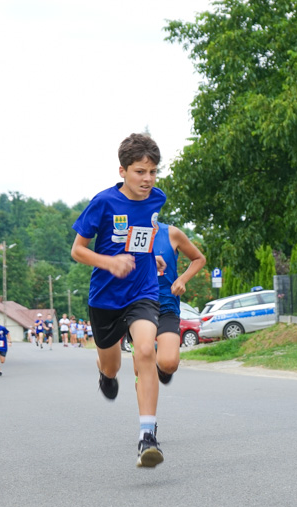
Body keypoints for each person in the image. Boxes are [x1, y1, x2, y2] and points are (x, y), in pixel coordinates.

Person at [71, 132, 167, 468]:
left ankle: (147, 436)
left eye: (153, 172)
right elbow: (78, 250)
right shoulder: (104, 202)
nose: (148, 179)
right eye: (141, 172)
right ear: (123, 170)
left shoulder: (157, 199)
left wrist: (152, 255)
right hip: (105, 298)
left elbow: (143, 235)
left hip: (142, 290)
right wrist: (109, 262)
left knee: (144, 350)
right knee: (112, 365)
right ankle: (106, 375)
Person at [151, 223, 206, 384]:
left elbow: (199, 259)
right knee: (140, 370)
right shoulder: (126, 233)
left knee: (169, 363)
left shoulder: (171, 233)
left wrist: (182, 279)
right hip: (137, 304)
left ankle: (159, 357)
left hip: (167, 304)